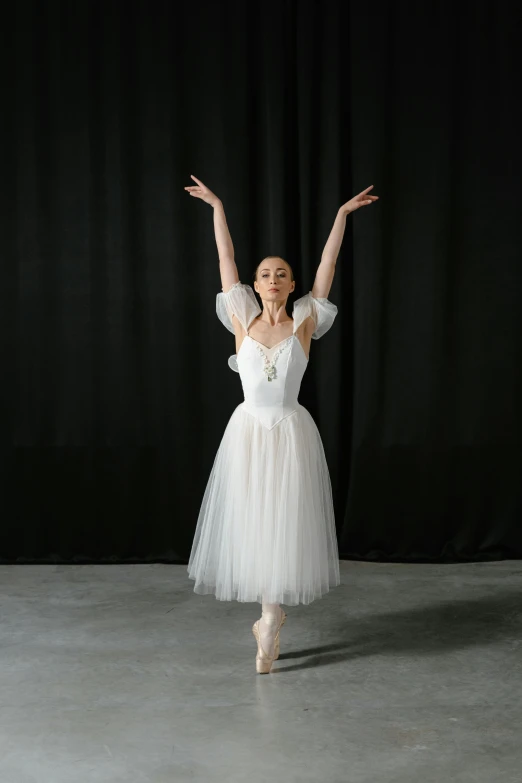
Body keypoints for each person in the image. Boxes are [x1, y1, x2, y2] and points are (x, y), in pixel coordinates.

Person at [184, 175, 379, 673]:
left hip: (290, 432)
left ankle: (270, 620)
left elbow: (327, 265)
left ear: (293, 285)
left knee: (283, 521)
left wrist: (340, 217)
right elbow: (224, 258)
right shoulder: (240, 318)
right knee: (255, 519)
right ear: (254, 283)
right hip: (249, 431)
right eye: (265, 273)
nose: (272, 278)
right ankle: (268, 617)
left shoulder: (305, 320)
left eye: (281, 274)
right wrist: (217, 207)